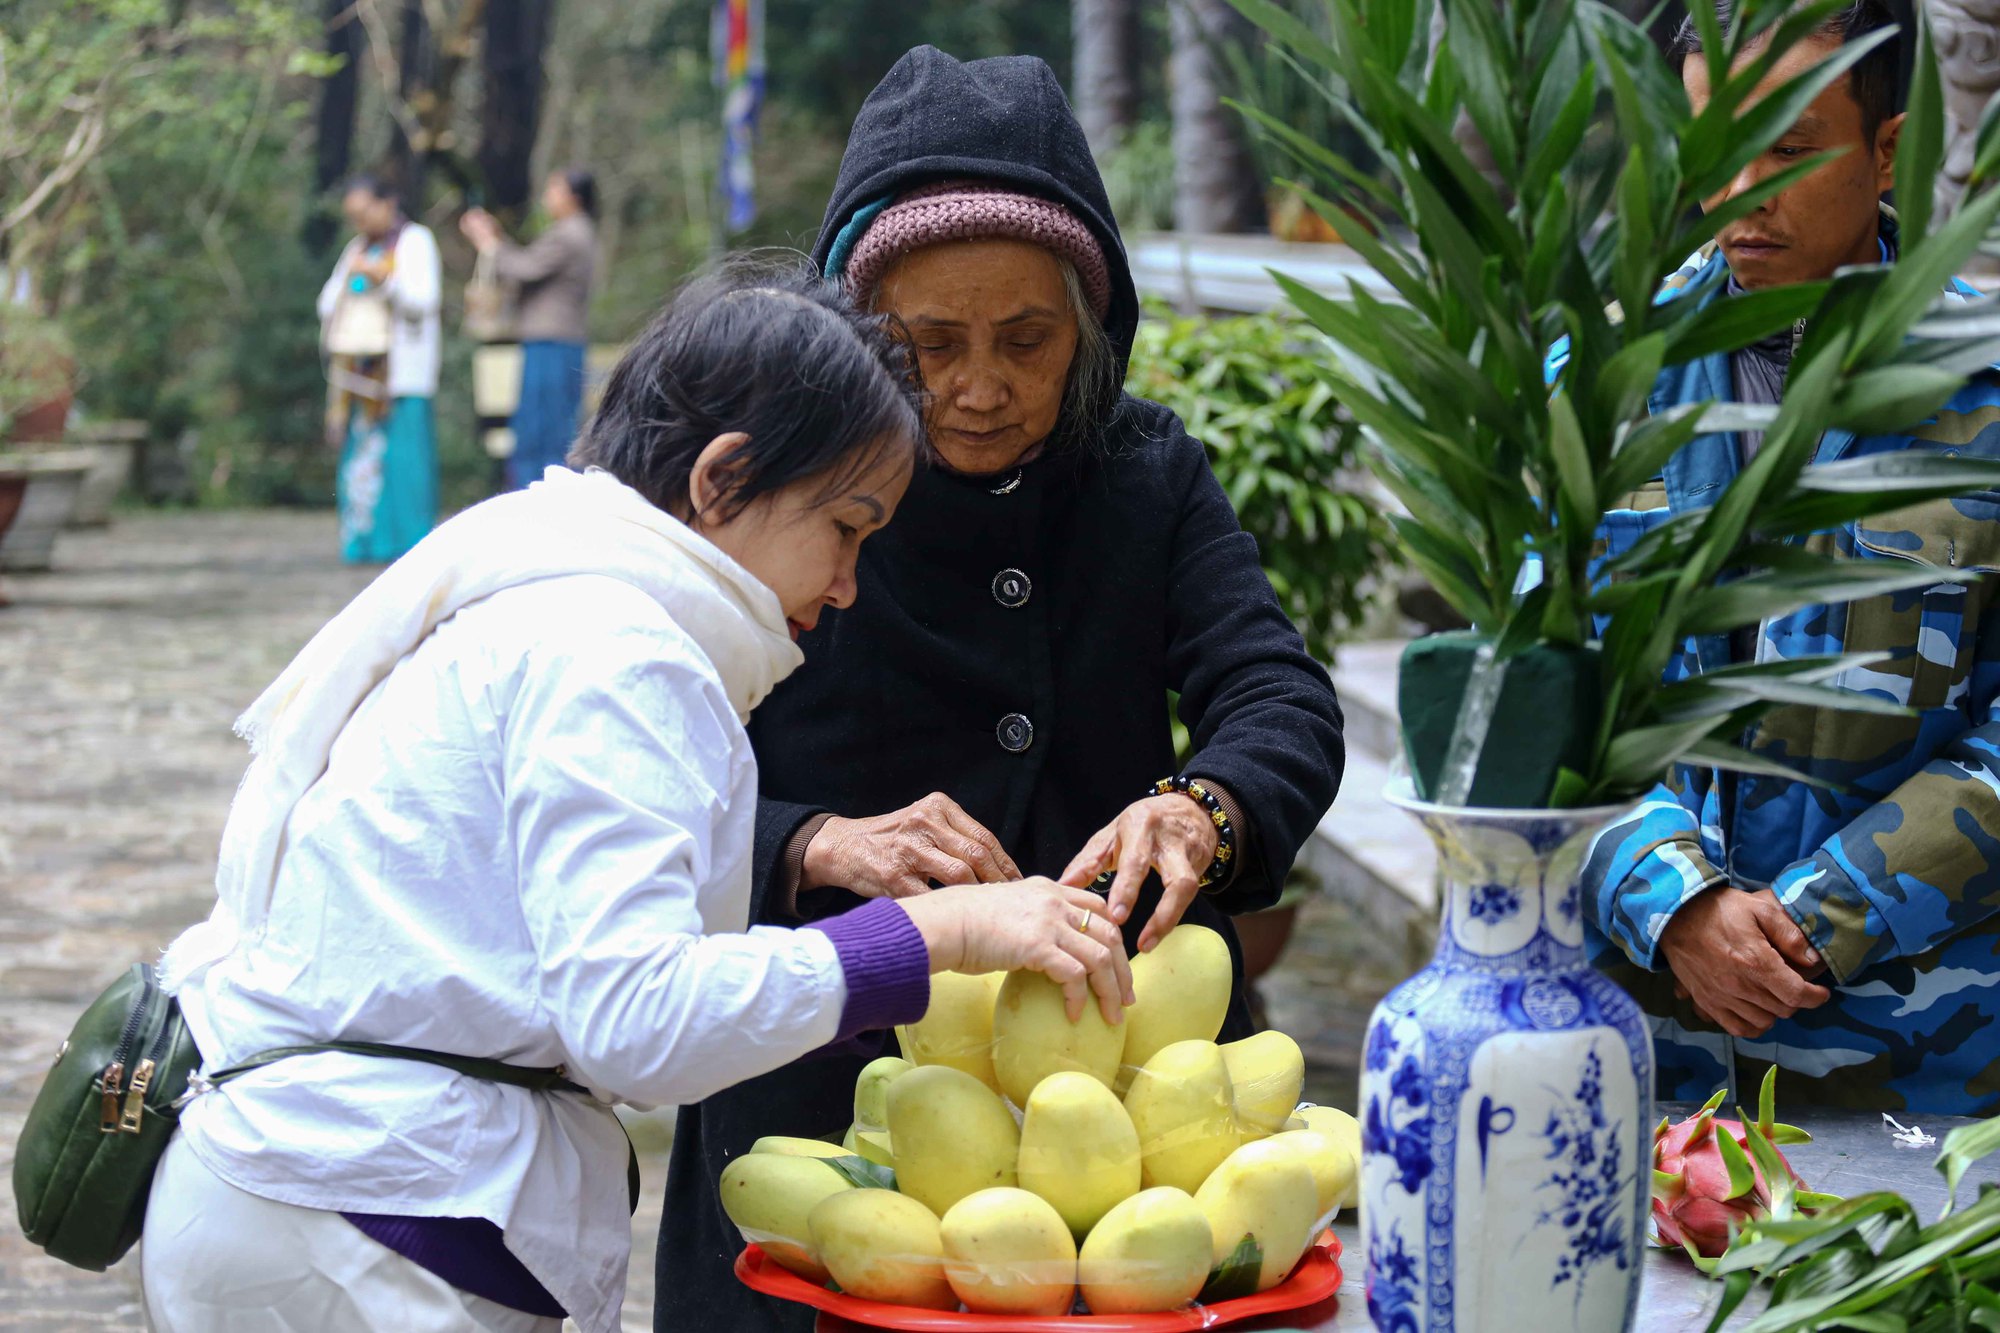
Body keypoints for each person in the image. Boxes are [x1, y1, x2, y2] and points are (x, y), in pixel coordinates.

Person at [140, 266, 1135, 1333]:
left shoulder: (573, 607)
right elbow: (633, 1020)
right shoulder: (618, 653)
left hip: (332, 1202)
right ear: (721, 481)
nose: (846, 583)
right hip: (357, 1222)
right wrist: (934, 933)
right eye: (845, 526)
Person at [656, 46, 1347, 1330]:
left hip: (1136, 1098)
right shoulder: (762, 492)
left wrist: (1199, 805)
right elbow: (645, 776)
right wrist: (811, 842)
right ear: (856, 337)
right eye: (927, 346)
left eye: (1026, 341)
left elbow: (1278, 695)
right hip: (829, 1088)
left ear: (1088, 326)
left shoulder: (1141, 475)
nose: (979, 387)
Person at [1580, 0, 2000, 1116]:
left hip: (1915, 1083)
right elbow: (1533, 681)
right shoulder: (1599, 380)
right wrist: (1668, 896)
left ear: (1886, 150)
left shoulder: (1984, 393)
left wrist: (1830, 912)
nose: (1739, 192)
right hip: (1640, 1072)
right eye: (1713, 148)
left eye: (1788, 147)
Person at [318, 174, 441, 563]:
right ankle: (365, 544)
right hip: (362, 377)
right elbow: (325, 304)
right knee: (365, 463)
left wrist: (385, 282)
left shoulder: (415, 241)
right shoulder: (359, 247)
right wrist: (353, 279)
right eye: (351, 216)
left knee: (405, 466)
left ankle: (409, 548)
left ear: (387, 204)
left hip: (404, 377)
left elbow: (425, 301)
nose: (358, 223)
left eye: (363, 212)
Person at [461, 169, 599, 490]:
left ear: (573, 198)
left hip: (550, 344)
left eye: (554, 188)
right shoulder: (578, 232)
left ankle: (535, 496)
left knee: (540, 430)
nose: (547, 195)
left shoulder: (568, 234)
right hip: (560, 343)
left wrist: (488, 243)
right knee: (554, 428)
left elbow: (523, 268)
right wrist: (497, 242)